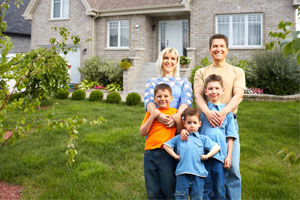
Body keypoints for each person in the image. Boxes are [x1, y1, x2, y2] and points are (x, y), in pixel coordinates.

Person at [182, 34, 246, 199]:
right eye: (215, 46)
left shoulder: (237, 71)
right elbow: (198, 96)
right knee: (205, 164)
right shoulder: (201, 72)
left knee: (232, 168)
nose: (218, 49)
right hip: (205, 124)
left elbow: (238, 95)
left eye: (222, 46)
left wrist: (223, 113)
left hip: (229, 122)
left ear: (227, 49)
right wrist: (208, 113)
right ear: (210, 50)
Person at [163, 107, 220, 200]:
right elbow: (166, 145)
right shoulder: (179, 138)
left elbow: (216, 147)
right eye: (189, 123)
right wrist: (175, 156)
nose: (192, 125)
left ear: (199, 124)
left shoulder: (202, 139)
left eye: (195, 123)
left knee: (197, 197)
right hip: (182, 173)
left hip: (198, 174)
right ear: (184, 123)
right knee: (180, 197)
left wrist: (207, 155)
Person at [140, 83, 182, 200]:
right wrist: (152, 116)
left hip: (167, 154)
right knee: (152, 187)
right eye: (159, 96)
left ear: (171, 98)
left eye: (165, 96)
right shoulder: (152, 113)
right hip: (150, 153)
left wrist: (178, 121)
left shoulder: (174, 112)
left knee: (168, 185)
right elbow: (142, 132)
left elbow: (179, 134)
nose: (162, 99)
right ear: (154, 99)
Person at [200, 74, 238, 199]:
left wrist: (228, 156)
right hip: (203, 157)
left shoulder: (227, 114)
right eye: (210, 89)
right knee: (205, 188)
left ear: (223, 90)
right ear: (205, 91)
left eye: (217, 88)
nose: (213, 91)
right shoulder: (202, 113)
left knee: (219, 189)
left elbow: (230, 137)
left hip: (220, 158)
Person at [144, 47, 193, 129]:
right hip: (156, 124)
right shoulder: (152, 82)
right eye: (166, 58)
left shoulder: (184, 82)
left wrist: (176, 118)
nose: (169, 61)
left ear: (176, 62)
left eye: (173, 59)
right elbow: (149, 102)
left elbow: (186, 102)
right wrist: (159, 116)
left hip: (177, 125)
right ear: (161, 60)